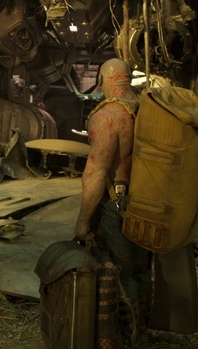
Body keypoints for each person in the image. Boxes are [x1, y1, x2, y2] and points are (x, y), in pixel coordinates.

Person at [74, 58, 151, 346]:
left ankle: (124, 337)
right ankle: (143, 331)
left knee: (120, 270)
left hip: (117, 202)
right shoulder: (148, 109)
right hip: (147, 198)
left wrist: (83, 220)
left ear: (104, 80)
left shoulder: (108, 116)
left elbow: (96, 172)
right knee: (142, 268)